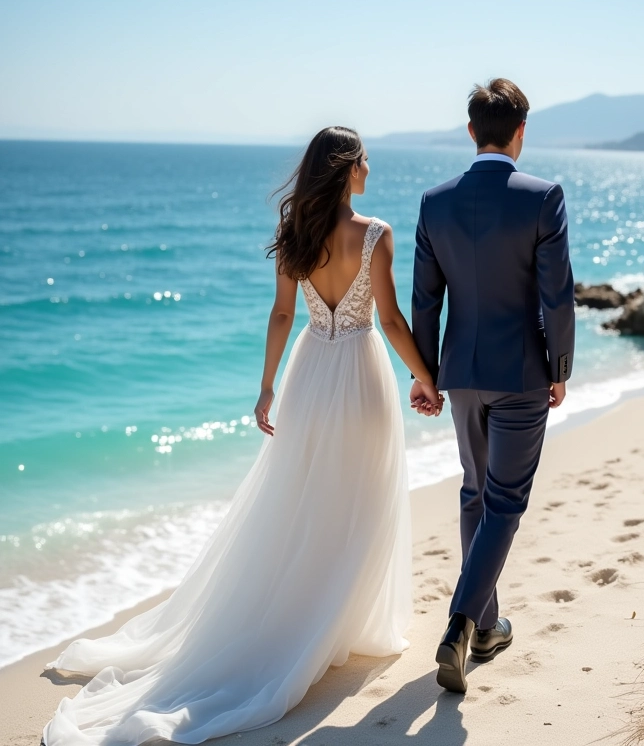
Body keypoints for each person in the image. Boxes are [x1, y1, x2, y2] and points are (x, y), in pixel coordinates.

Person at [42, 126, 442, 745]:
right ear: (349, 169)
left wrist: (267, 386)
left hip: (310, 373)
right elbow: (387, 318)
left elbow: (283, 313)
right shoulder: (376, 235)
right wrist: (426, 378)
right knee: (359, 495)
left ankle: (312, 616)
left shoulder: (296, 240)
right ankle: (337, 624)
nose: (370, 170)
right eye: (365, 161)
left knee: (303, 497)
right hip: (360, 373)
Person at [410, 78, 576, 694]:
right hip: (523, 376)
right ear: (521, 133)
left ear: (471, 130)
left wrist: (424, 374)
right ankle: (459, 626)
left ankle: (486, 628)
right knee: (504, 501)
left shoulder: (435, 202)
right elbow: (558, 294)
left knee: (475, 493)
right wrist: (560, 368)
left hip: (460, 376)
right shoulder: (544, 197)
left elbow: (426, 300)